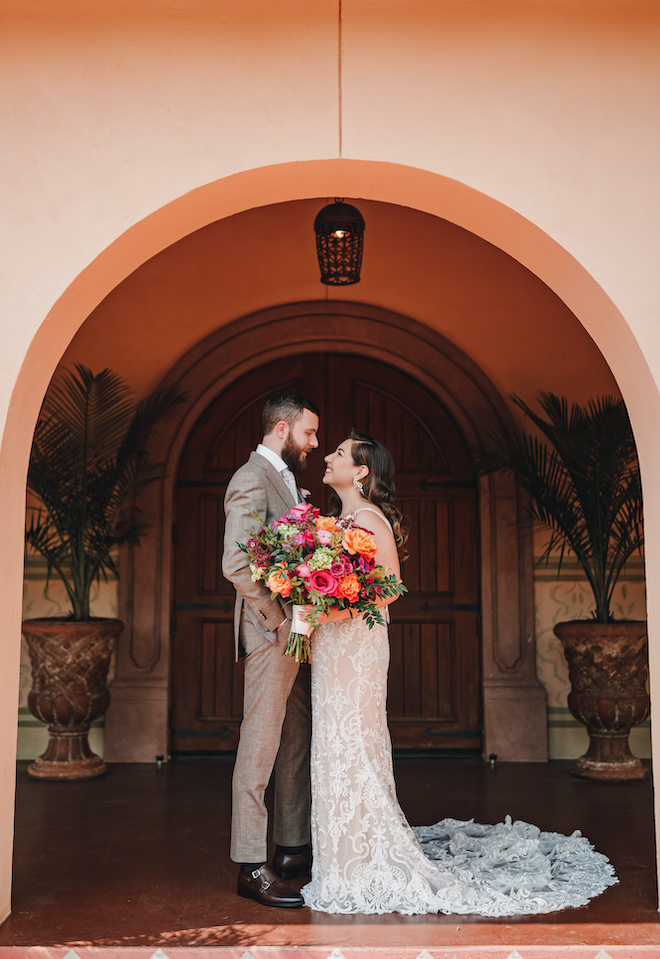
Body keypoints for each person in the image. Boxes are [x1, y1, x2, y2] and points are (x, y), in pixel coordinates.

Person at [299, 428, 618, 916]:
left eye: (339, 453)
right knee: (335, 744)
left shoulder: (367, 519)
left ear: (361, 471)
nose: (328, 456)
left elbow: (387, 589)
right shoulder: (337, 520)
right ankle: (344, 859)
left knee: (355, 744)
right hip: (332, 649)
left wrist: (326, 613)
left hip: (356, 648)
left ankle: (363, 861)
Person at [222, 391, 319, 908]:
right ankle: (249, 866)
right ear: (282, 430)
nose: (315, 442)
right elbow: (236, 565)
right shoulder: (249, 479)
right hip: (271, 631)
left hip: (297, 631)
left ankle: (291, 847)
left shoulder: (283, 478)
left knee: (296, 734)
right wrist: (279, 621)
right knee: (259, 743)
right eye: (310, 432)